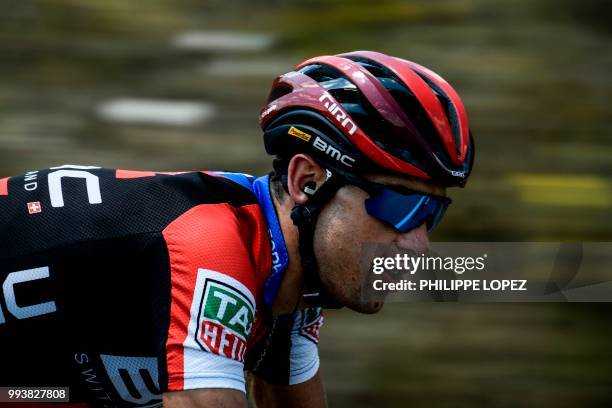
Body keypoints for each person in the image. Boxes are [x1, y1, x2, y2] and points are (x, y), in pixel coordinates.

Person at [0, 50, 474, 408]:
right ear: (307, 181)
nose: (418, 246)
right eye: (399, 206)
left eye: (433, 215)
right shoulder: (213, 248)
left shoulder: (288, 285)